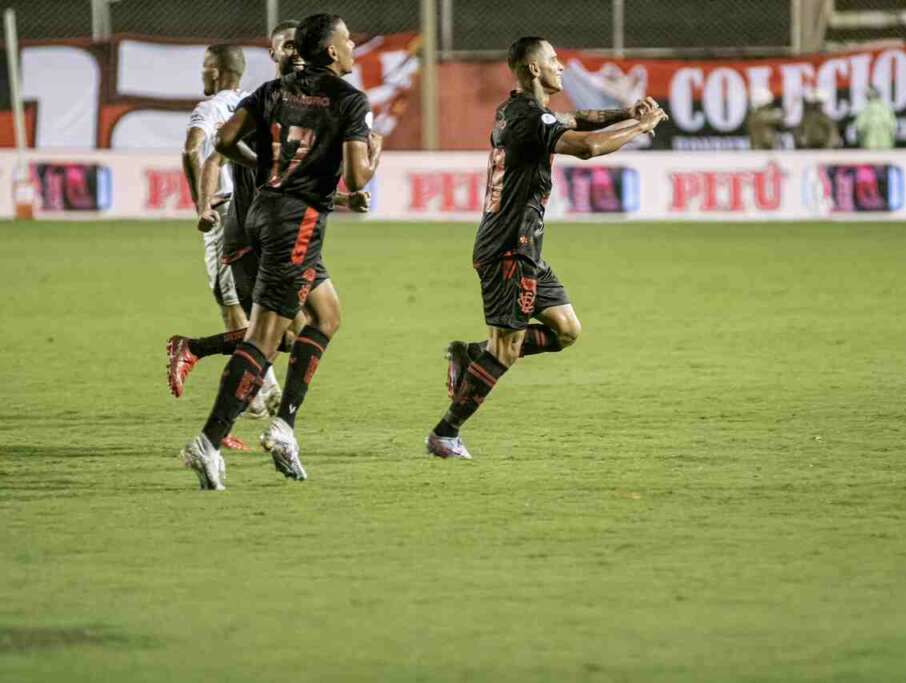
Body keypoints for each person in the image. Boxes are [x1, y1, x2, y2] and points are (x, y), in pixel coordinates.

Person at [424, 36, 667, 460]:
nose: (562, 67)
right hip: (508, 248)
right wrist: (641, 128)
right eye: (554, 60)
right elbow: (588, 147)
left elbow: (578, 120)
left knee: (566, 330)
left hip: (525, 248)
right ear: (534, 69)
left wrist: (626, 111)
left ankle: (473, 354)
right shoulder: (529, 119)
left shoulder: (521, 111)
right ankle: (445, 433)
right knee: (508, 349)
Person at [178, 13, 382, 490]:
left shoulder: (274, 91)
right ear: (331, 51)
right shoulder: (350, 100)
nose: (354, 47)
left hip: (263, 213)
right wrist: (375, 152)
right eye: (348, 41)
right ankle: (207, 444)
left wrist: (272, 166)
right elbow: (356, 179)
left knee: (326, 316)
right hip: (297, 224)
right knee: (265, 339)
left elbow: (226, 141)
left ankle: (284, 427)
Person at [178, 43, 252, 448]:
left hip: (223, 215)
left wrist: (199, 202)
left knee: (230, 305)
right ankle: (263, 386)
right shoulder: (256, 102)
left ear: (218, 71)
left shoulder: (210, 109)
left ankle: (252, 396)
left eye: (205, 69)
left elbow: (191, 149)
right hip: (255, 213)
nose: (202, 76)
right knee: (260, 304)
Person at [746, 86, 783, 150]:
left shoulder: (755, 115)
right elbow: (778, 117)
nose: (769, 107)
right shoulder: (757, 116)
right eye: (768, 105)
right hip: (761, 150)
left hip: (765, 148)